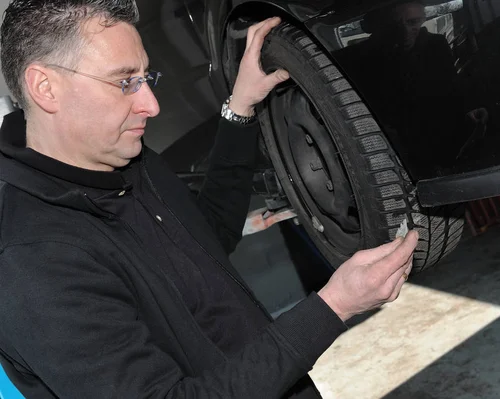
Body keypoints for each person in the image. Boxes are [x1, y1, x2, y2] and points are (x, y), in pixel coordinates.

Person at [0, 1, 418, 398]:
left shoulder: (121, 161)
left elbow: (208, 235)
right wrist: (333, 306)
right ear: (45, 87)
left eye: (147, 79)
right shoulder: (32, 261)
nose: (151, 104)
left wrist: (240, 106)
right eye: (125, 82)